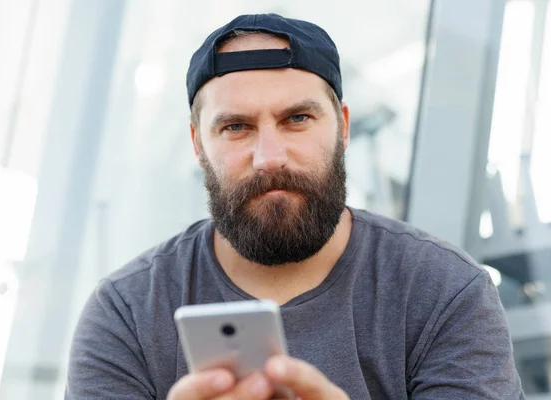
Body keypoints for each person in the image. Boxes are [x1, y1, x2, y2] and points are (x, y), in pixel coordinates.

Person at [66, 13, 524, 399]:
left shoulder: (443, 292)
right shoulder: (127, 312)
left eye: (297, 119)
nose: (270, 157)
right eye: (236, 127)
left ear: (343, 127)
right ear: (197, 146)